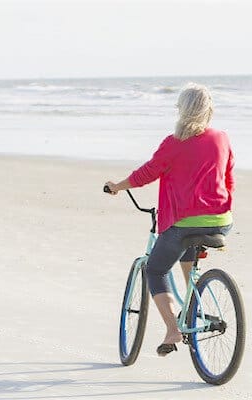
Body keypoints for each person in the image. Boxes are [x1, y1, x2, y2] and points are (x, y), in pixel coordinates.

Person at [104, 83, 234, 356]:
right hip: (221, 219)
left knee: (155, 269)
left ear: (181, 111)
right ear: (209, 110)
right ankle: (192, 299)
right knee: (186, 247)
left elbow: (146, 174)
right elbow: (228, 177)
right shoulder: (221, 138)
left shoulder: (174, 143)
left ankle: (173, 329)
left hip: (184, 222)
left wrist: (118, 186)